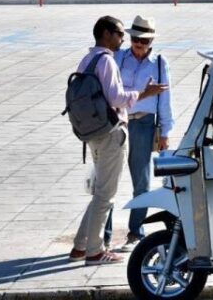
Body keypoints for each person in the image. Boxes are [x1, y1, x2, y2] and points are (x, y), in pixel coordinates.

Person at [70, 16, 167, 266]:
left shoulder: (87, 59)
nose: (123, 39)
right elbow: (116, 98)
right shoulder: (108, 61)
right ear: (106, 33)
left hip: (92, 132)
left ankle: (80, 246)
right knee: (106, 195)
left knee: (100, 191)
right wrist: (145, 93)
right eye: (120, 34)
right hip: (111, 133)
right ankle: (94, 251)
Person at [113, 16, 173, 252]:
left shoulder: (159, 63)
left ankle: (135, 231)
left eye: (144, 40)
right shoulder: (118, 58)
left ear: (151, 41)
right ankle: (104, 236)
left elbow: (165, 100)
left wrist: (166, 131)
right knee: (109, 180)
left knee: (142, 180)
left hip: (144, 124)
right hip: (119, 121)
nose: (139, 44)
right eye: (136, 39)